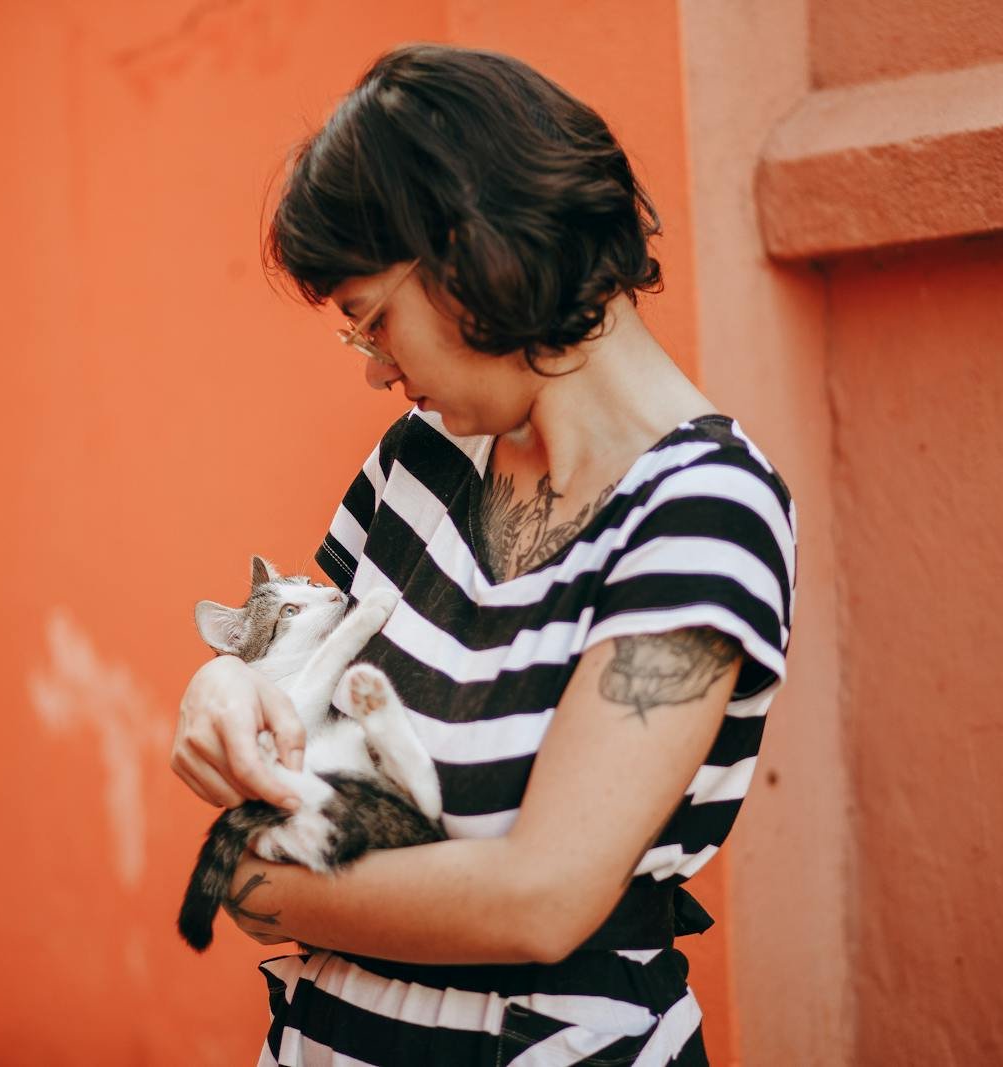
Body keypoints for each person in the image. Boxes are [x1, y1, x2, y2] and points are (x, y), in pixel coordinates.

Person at [171, 42, 796, 1066]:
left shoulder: (702, 513)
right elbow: (300, 682)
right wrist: (218, 688)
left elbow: (540, 898)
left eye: (375, 323)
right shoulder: (422, 457)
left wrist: (258, 882)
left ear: (469, 252)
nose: (378, 374)